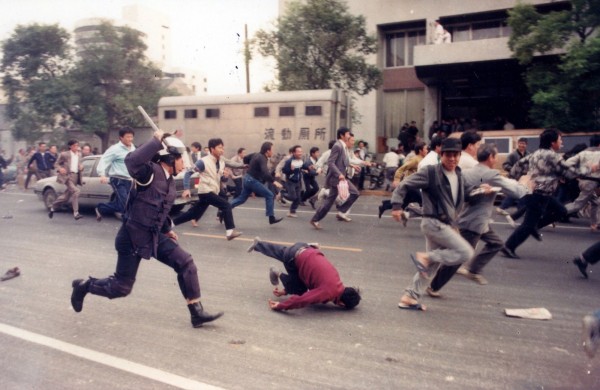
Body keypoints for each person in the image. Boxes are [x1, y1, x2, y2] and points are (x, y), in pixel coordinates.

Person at [70, 130, 223, 328]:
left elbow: (160, 207)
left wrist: (167, 228)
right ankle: (84, 286)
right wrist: (155, 141)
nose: (184, 164)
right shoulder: (148, 172)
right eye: (180, 159)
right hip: (131, 237)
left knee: (185, 263)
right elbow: (131, 162)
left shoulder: (168, 180)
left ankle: (197, 313)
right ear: (169, 157)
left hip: (153, 234)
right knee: (121, 287)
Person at [428, 144, 528, 295]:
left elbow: (465, 190)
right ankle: (433, 286)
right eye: (495, 156)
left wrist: (479, 190)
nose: (496, 159)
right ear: (490, 158)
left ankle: (473, 269)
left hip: (474, 219)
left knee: (496, 243)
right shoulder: (489, 174)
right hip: (474, 222)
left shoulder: (468, 173)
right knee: (461, 255)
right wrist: (525, 182)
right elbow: (517, 192)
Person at [391, 137, 477, 311]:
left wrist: (482, 191)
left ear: (460, 156)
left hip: (445, 224)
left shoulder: (458, 175)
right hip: (433, 223)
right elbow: (405, 184)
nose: (452, 159)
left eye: (455, 155)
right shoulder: (431, 172)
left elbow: (457, 201)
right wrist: (396, 206)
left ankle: (409, 297)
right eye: (448, 155)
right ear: (441, 154)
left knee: (430, 267)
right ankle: (426, 256)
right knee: (466, 252)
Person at [502, 129, 599, 259]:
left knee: (561, 211)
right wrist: (590, 169)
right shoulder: (551, 156)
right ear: (552, 143)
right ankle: (508, 246)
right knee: (528, 224)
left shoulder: (535, 153)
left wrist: (514, 177)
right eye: (560, 140)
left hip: (540, 193)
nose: (562, 143)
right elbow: (568, 171)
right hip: (537, 194)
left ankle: (534, 227)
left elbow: (517, 167)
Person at [246, 237, 361, 311]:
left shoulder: (336, 281)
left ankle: (258, 244)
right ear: (341, 304)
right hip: (294, 259)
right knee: (300, 290)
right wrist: (281, 306)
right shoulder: (328, 291)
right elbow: (304, 299)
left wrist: (285, 291)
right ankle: (278, 272)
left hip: (304, 248)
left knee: (281, 252)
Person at [174, 138, 242, 240]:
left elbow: (220, 178)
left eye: (223, 148)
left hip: (212, 190)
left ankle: (170, 224)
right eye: (219, 147)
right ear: (212, 149)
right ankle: (230, 232)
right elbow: (188, 173)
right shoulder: (203, 162)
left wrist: (225, 177)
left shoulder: (221, 162)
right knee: (226, 205)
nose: (222, 150)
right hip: (205, 191)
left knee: (193, 213)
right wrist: (187, 188)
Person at [310, 127, 360, 230]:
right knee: (355, 193)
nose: (349, 136)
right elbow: (330, 162)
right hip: (337, 178)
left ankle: (315, 219)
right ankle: (341, 210)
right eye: (347, 134)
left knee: (329, 202)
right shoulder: (337, 146)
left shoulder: (343, 146)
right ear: (342, 135)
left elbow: (343, 161)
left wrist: (352, 166)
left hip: (339, 178)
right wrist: (339, 174)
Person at [230, 142, 283, 225]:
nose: (273, 152)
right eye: (272, 150)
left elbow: (246, 158)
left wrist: (249, 164)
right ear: (267, 151)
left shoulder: (256, 154)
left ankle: (224, 210)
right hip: (252, 181)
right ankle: (271, 218)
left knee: (241, 199)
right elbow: (265, 173)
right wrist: (274, 181)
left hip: (247, 178)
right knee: (270, 195)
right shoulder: (262, 158)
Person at [378, 141, 428, 220]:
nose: (427, 150)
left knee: (404, 203)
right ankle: (427, 217)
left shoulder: (424, 159)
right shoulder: (415, 159)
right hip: (411, 185)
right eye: (425, 149)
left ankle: (384, 206)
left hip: (417, 185)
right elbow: (401, 169)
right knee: (424, 200)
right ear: (420, 150)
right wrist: (397, 179)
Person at [95, 127, 136, 221]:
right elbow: (104, 160)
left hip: (130, 180)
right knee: (124, 204)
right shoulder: (115, 149)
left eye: (131, 137)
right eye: (127, 137)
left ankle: (101, 208)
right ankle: (128, 222)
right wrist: (101, 174)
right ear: (121, 138)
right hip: (118, 179)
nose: (130, 139)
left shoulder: (133, 149)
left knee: (127, 203)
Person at [564, 135, 600, 230]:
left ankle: (594, 224)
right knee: (578, 205)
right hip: (592, 183)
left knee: (596, 202)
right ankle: (553, 212)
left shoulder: (583, 153)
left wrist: (577, 172)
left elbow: (567, 163)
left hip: (582, 181)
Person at [48, 140, 83, 220]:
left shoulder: (79, 155)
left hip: (76, 176)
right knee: (76, 191)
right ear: (70, 146)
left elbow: (79, 164)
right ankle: (76, 213)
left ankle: (52, 207)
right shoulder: (64, 154)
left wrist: (81, 167)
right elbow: (56, 164)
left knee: (65, 198)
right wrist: (60, 169)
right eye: (74, 146)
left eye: (77, 145)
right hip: (68, 176)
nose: (76, 147)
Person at [282, 145, 311, 218]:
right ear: (294, 153)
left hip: (298, 181)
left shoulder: (300, 160)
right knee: (293, 197)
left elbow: (303, 166)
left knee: (298, 198)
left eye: (301, 151)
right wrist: (291, 169)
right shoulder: (289, 161)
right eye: (298, 152)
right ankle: (282, 194)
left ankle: (292, 212)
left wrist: (309, 167)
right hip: (290, 181)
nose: (300, 153)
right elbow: (284, 170)